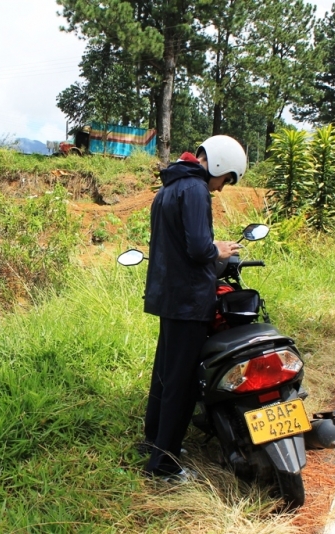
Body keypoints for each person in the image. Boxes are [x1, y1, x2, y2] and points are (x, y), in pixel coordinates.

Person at [142, 135, 248, 481]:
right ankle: (165, 465)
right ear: (216, 165)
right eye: (225, 179)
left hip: (168, 293)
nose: (220, 188)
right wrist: (219, 249)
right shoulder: (195, 190)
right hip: (188, 298)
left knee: (165, 372)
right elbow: (200, 247)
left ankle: (155, 441)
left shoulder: (169, 188)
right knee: (183, 382)